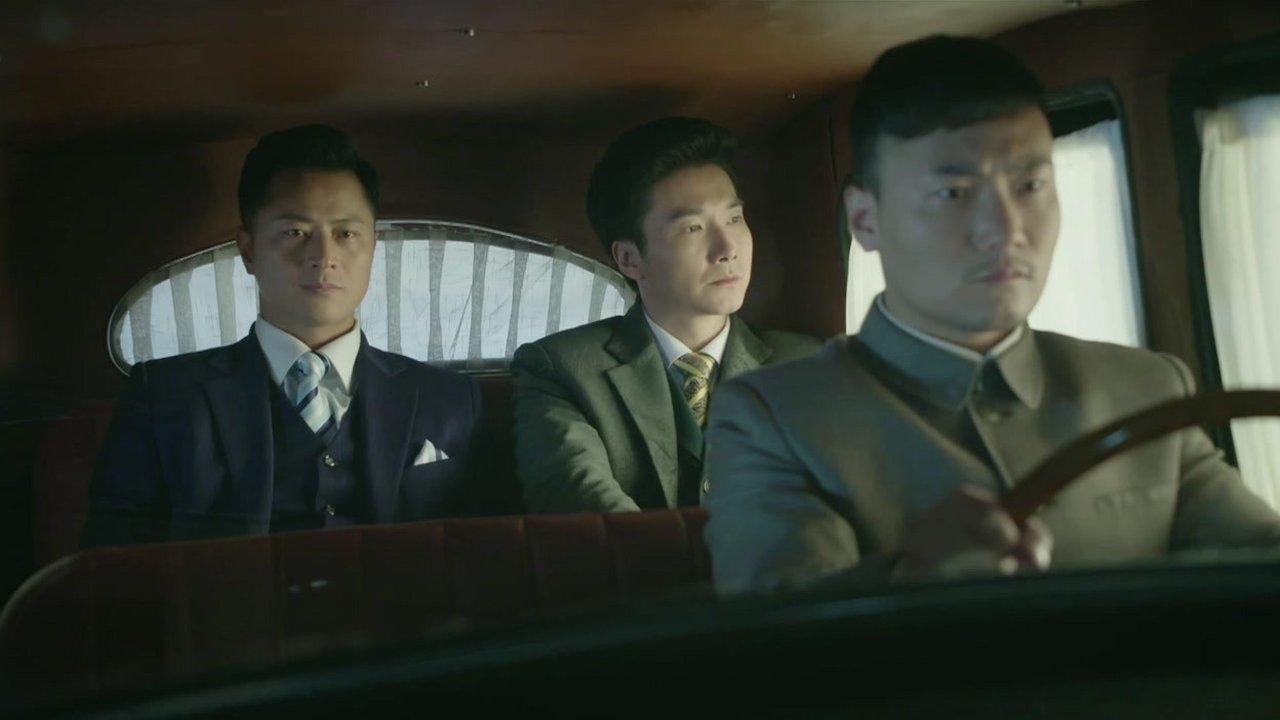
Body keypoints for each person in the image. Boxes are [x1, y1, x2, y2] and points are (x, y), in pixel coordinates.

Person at [704, 36, 1280, 594]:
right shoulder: (774, 419)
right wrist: (911, 582)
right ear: (865, 220)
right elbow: (778, 636)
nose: (1005, 230)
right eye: (954, 193)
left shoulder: (1147, 389)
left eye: (1030, 184)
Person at [84, 124, 482, 546]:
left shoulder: (451, 399)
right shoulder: (162, 397)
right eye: (295, 233)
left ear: (372, 246)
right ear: (249, 250)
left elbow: (481, 558)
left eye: (346, 234)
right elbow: (111, 564)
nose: (323, 257)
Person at [513, 117, 820, 513]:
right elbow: (584, 507)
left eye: (734, 219)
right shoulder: (562, 370)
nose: (727, 249)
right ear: (630, 258)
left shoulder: (810, 366)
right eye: (693, 228)